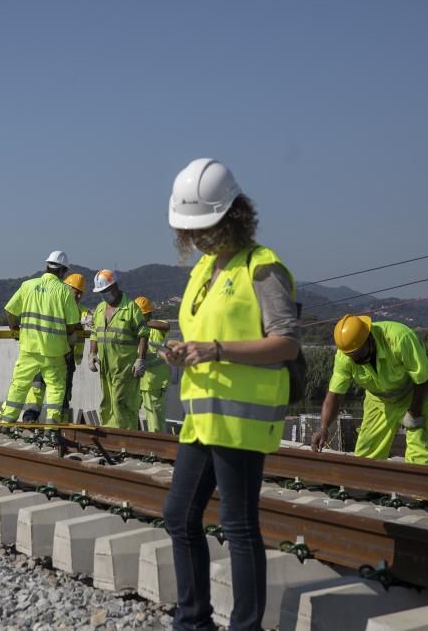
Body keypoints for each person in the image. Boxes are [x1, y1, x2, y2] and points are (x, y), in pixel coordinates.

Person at [160, 158, 300, 631]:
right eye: (192, 230)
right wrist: (183, 352)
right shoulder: (203, 270)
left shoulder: (262, 268)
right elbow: (204, 332)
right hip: (202, 418)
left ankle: (245, 626)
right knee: (179, 517)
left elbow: (286, 342)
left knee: (238, 527)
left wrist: (216, 350)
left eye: (206, 227)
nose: (198, 238)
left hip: (241, 421)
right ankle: (193, 621)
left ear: (234, 216)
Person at [312, 315, 428, 466]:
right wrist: (324, 427)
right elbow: (335, 395)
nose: (356, 359)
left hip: (417, 392)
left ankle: (417, 486)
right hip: (379, 399)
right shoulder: (345, 355)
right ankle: (369, 487)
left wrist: (414, 412)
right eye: (351, 356)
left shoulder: (399, 338)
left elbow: (423, 379)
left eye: (359, 353)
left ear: (369, 338)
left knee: (420, 451)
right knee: (366, 453)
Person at [0, 251, 82, 428]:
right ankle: (52, 426)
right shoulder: (65, 291)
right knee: (56, 387)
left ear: (47, 266)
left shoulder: (28, 285)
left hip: (28, 348)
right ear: (63, 271)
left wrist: (15, 328)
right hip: (54, 351)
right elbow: (72, 324)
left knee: (19, 385)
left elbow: (10, 311)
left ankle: (6, 421)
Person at [23, 273, 91, 423]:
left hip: (67, 357)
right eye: (76, 291)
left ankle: (60, 422)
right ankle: (30, 416)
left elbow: (88, 316)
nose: (79, 296)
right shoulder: (54, 304)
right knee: (38, 385)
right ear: (66, 288)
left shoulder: (81, 309)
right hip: (47, 352)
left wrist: (88, 319)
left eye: (81, 293)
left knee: (63, 391)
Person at [88, 270, 149, 429]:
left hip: (125, 368)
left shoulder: (130, 308)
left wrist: (141, 359)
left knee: (121, 403)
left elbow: (143, 334)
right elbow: (95, 333)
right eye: (101, 293)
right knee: (107, 403)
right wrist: (92, 354)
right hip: (106, 368)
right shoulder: (100, 309)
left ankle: (126, 438)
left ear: (115, 286)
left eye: (105, 291)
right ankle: (111, 437)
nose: (103, 295)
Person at [135, 296, 171, 432]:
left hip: (154, 382)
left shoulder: (156, 327)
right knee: (130, 413)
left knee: (155, 419)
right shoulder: (134, 329)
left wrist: (144, 323)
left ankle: (157, 450)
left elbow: (166, 325)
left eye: (143, 315)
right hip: (137, 378)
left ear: (149, 314)